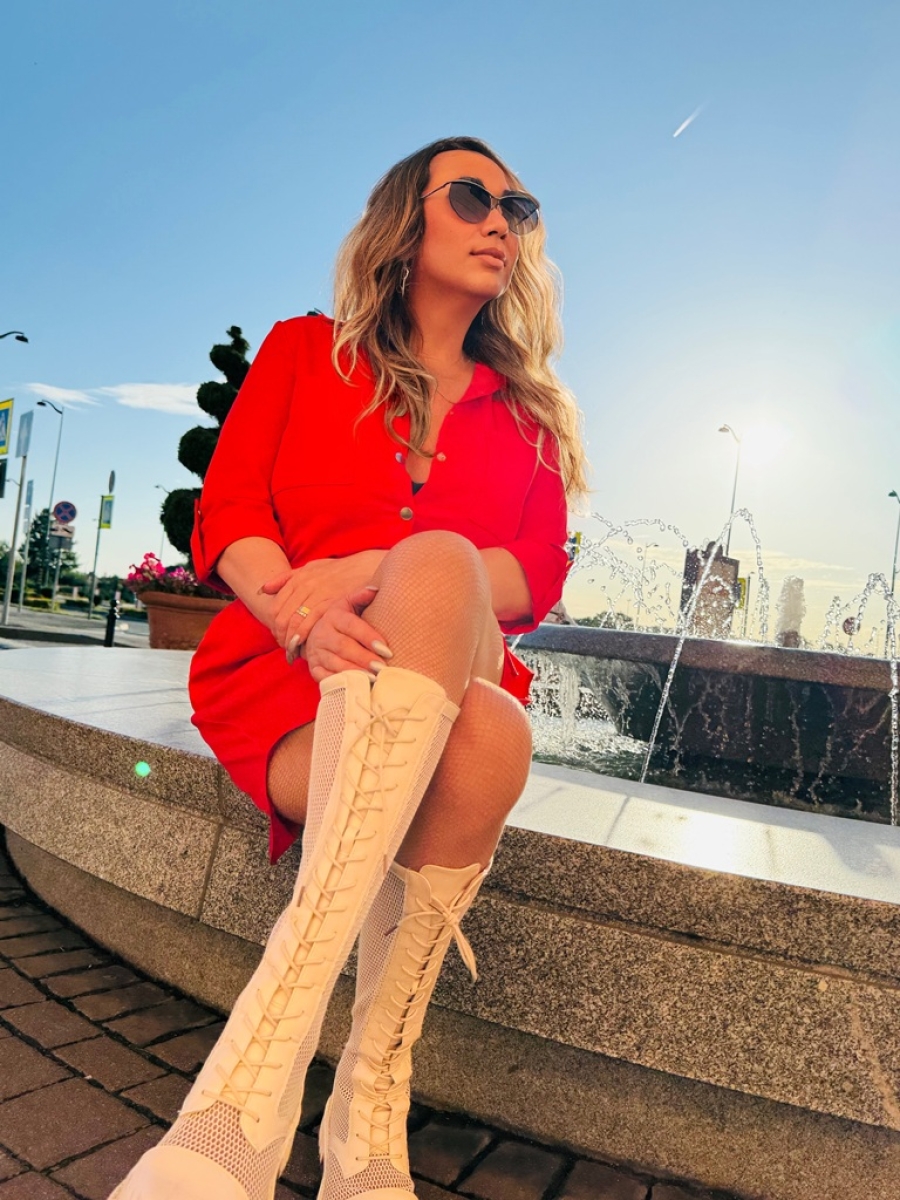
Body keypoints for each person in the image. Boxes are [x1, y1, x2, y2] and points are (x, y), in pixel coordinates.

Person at [111, 135, 588, 1200]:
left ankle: (283, 1093)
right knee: (492, 729)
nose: (501, 221)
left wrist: (374, 567)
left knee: (446, 583)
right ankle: (347, 1103)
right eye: (473, 196)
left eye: (518, 208)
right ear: (406, 222)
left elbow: (535, 574)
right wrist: (297, 615)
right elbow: (231, 509)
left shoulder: (529, 417)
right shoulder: (302, 353)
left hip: (452, 673)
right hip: (288, 679)